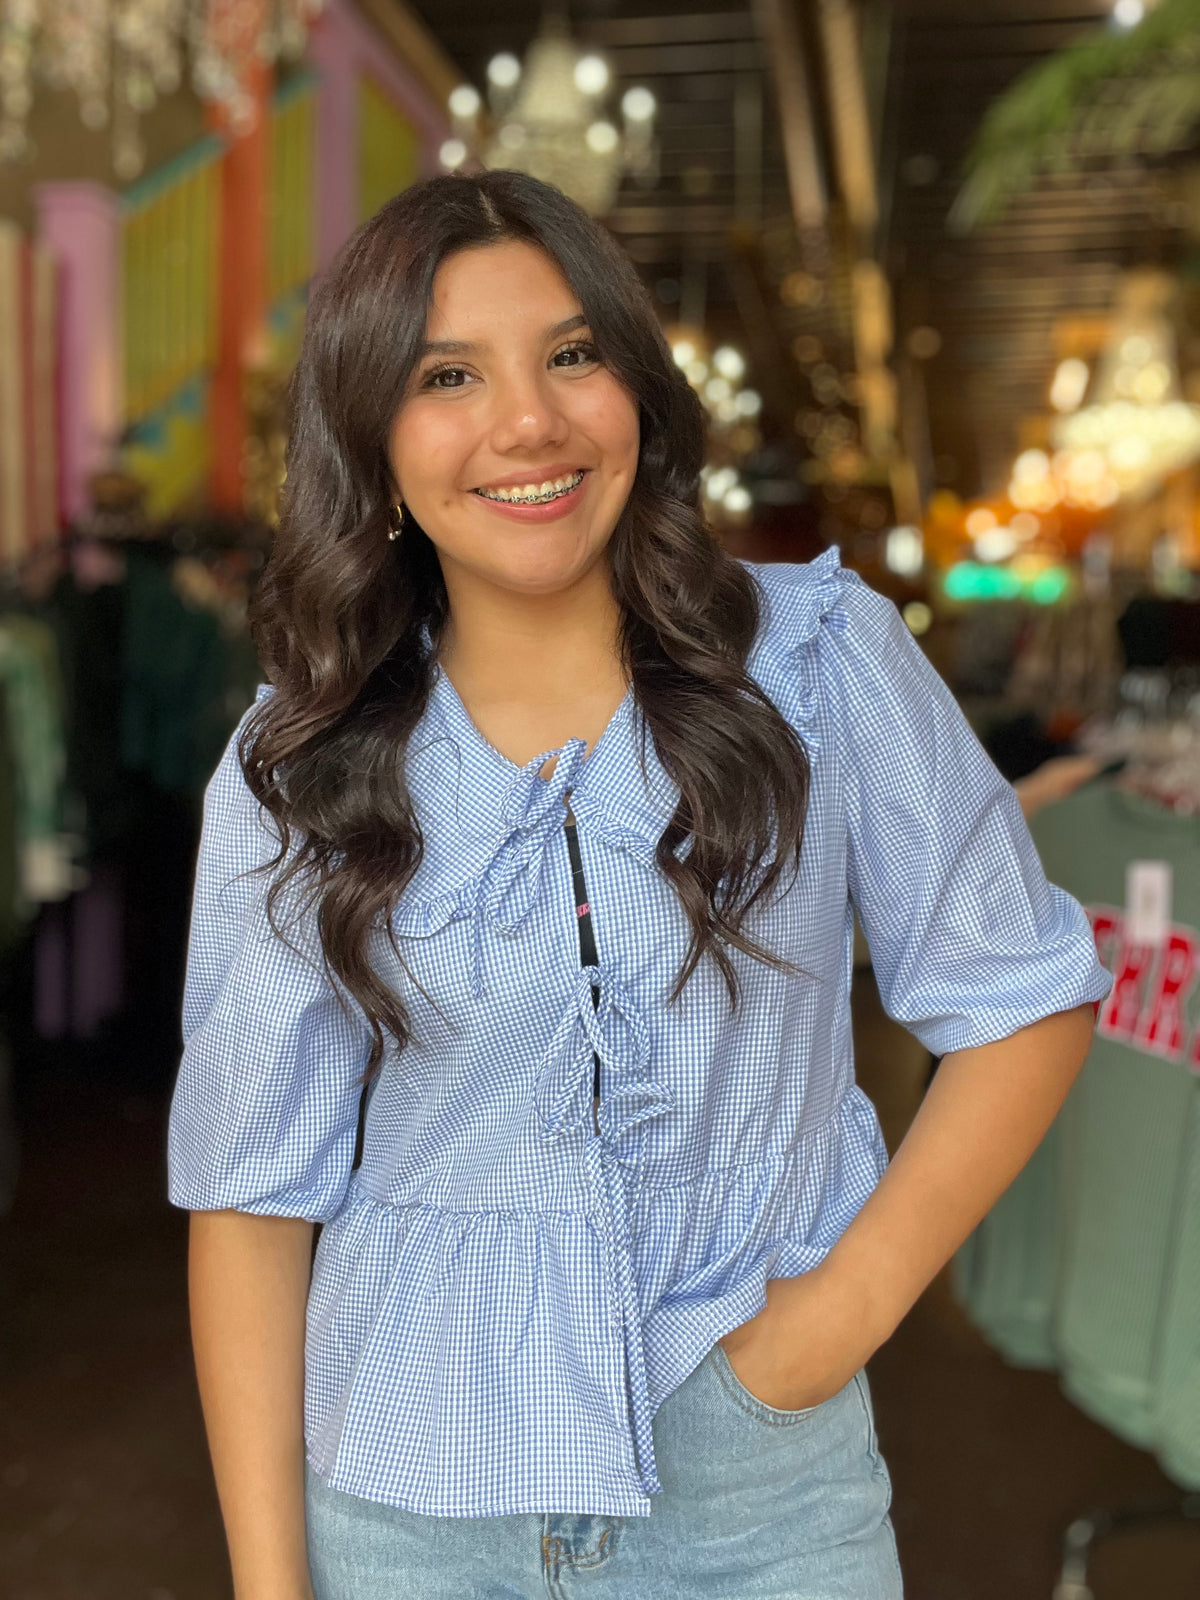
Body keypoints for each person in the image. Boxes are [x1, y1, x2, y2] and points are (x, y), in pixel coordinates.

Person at [167, 169, 1114, 1600]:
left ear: (636, 385)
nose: (528, 423)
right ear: (374, 437)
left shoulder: (816, 664)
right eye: (447, 375)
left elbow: (1023, 997)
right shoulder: (300, 756)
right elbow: (249, 1196)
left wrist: (822, 1330)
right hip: (408, 1512)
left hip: (758, 1502)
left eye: (570, 354)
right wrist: (267, 1587)